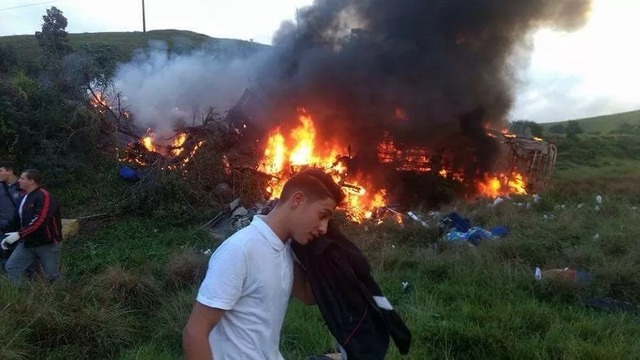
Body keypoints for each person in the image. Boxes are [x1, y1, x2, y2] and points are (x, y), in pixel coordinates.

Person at [183, 168, 345, 360]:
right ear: (298, 200)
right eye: (322, 215)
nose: (324, 228)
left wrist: (332, 256)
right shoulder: (240, 250)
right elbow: (195, 333)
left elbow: (309, 295)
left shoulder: (285, 249)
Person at [2, 169, 63, 284]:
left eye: (22, 178)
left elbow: (40, 221)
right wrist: (7, 233)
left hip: (47, 243)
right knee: (12, 266)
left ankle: (61, 298)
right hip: (27, 242)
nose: (18, 180)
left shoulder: (44, 196)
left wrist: (19, 235)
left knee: (52, 276)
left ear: (31, 181)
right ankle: (19, 297)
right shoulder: (24, 197)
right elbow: (17, 219)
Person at [0, 161, 23, 269]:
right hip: (2, 228)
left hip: (19, 230)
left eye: (0, 171)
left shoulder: (23, 186)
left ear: (9, 171)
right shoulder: (0, 187)